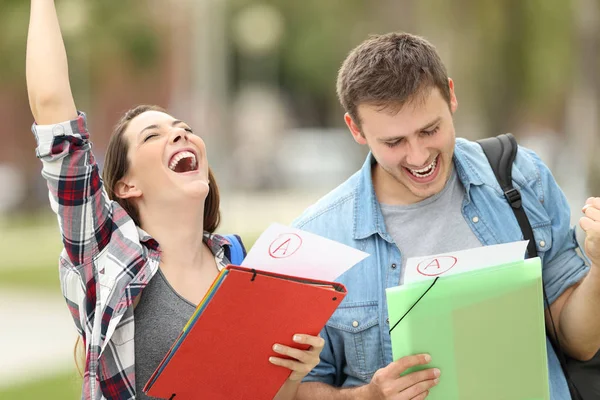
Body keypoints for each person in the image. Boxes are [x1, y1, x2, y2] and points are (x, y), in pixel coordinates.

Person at [26, 1, 324, 399]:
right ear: (126, 185)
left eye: (184, 128)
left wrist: (291, 375)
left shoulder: (236, 262)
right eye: (153, 136)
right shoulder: (105, 251)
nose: (180, 134)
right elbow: (52, 112)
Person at [291, 32, 600, 400]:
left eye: (430, 130)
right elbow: (295, 390)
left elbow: (578, 342)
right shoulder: (317, 240)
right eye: (394, 142)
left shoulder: (521, 177)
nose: (419, 156)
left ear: (451, 95)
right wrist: (368, 396)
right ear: (356, 129)